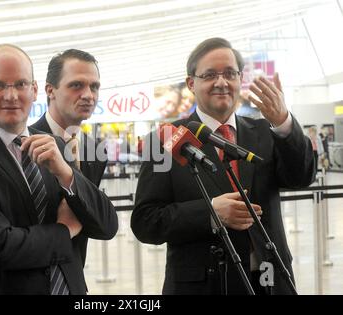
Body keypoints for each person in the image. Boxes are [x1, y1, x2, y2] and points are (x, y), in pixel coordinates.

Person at [131, 37, 316, 295]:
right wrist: (210, 213)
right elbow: (146, 221)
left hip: (269, 279)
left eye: (230, 73)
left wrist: (284, 122)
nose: (221, 82)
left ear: (240, 79)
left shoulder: (265, 131)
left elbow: (302, 177)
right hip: (203, 284)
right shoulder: (165, 140)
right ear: (191, 83)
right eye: (209, 75)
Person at [0, 44, 118, 295]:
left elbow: (106, 225)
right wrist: (65, 230)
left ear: (34, 90)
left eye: (20, 84)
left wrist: (66, 174)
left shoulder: (55, 146)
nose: (11, 96)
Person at [32, 49, 107, 188]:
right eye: (76, 85)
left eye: (94, 87)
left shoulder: (96, 152)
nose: (88, 95)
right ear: (50, 90)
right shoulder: (23, 144)